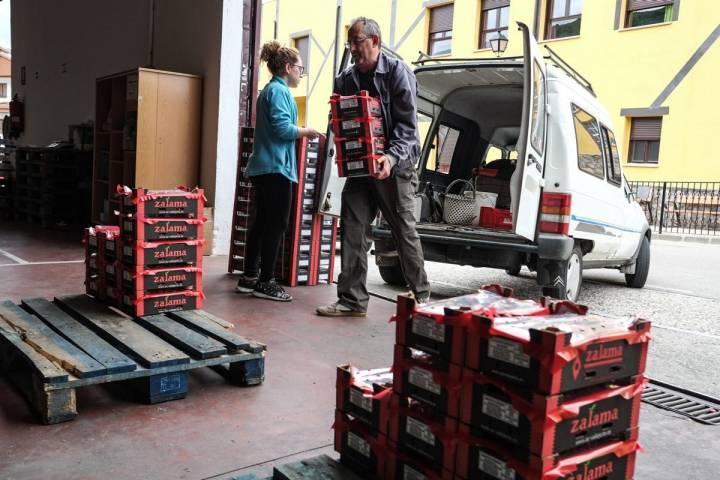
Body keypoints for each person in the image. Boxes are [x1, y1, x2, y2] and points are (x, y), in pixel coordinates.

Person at [317, 17, 430, 317]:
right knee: (353, 228)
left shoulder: (398, 73)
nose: (353, 49)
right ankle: (352, 300)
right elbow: (341, 121)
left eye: (358, 42)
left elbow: (408, 129)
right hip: (361, 169)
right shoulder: (346, 80)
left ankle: (422, 298)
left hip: (397, 167)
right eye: (350, 43)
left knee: (402, 229)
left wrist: (390, 158)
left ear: (375, 41)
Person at [236, 41, 320, 301]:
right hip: (275, 168)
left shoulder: (269, 91)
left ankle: (250, 276)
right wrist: (308, 131)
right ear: (287, 67)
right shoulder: (280, 92)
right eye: (299, 68)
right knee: (276, 223)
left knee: (262, 222)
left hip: (264, 167)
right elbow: (283, 130)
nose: (300, 73)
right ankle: (266, 281)